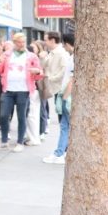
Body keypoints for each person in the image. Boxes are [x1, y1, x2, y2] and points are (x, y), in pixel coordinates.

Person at [0, 33, 43, 152]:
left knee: (21, 117)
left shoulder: (31, 56)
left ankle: (20, 142)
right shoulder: (6, 55)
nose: (21, 44)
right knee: (4, 115)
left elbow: (39, 74)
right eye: (19, 42)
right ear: (14, 42)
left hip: (24, 90)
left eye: (23, 42)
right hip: (8, 89)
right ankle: (4, 142)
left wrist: (37, 71)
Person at [44, 33, 74, 164]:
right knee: (65, 125)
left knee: (64, 125)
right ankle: (62, 152)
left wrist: (65, 96)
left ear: (67, 44)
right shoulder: (72, 57)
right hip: (65, 94)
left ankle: (60, 153)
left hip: (66, 95)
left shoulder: (72, 57)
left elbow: (72, 79)